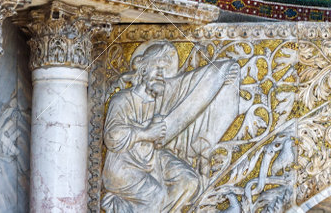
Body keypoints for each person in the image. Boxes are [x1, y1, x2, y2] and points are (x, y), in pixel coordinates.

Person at [101, 40, 240, 213]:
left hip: (152, 159)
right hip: (122, 167)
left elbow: (192, 89)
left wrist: (221, 76)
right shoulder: (122, 100)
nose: (162, 74)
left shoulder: (160, 99)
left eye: (165, 70)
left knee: (189, 181)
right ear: (143, 69)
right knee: (156, 195)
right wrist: (145, 133)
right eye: (158, 68)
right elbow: (112, 137)